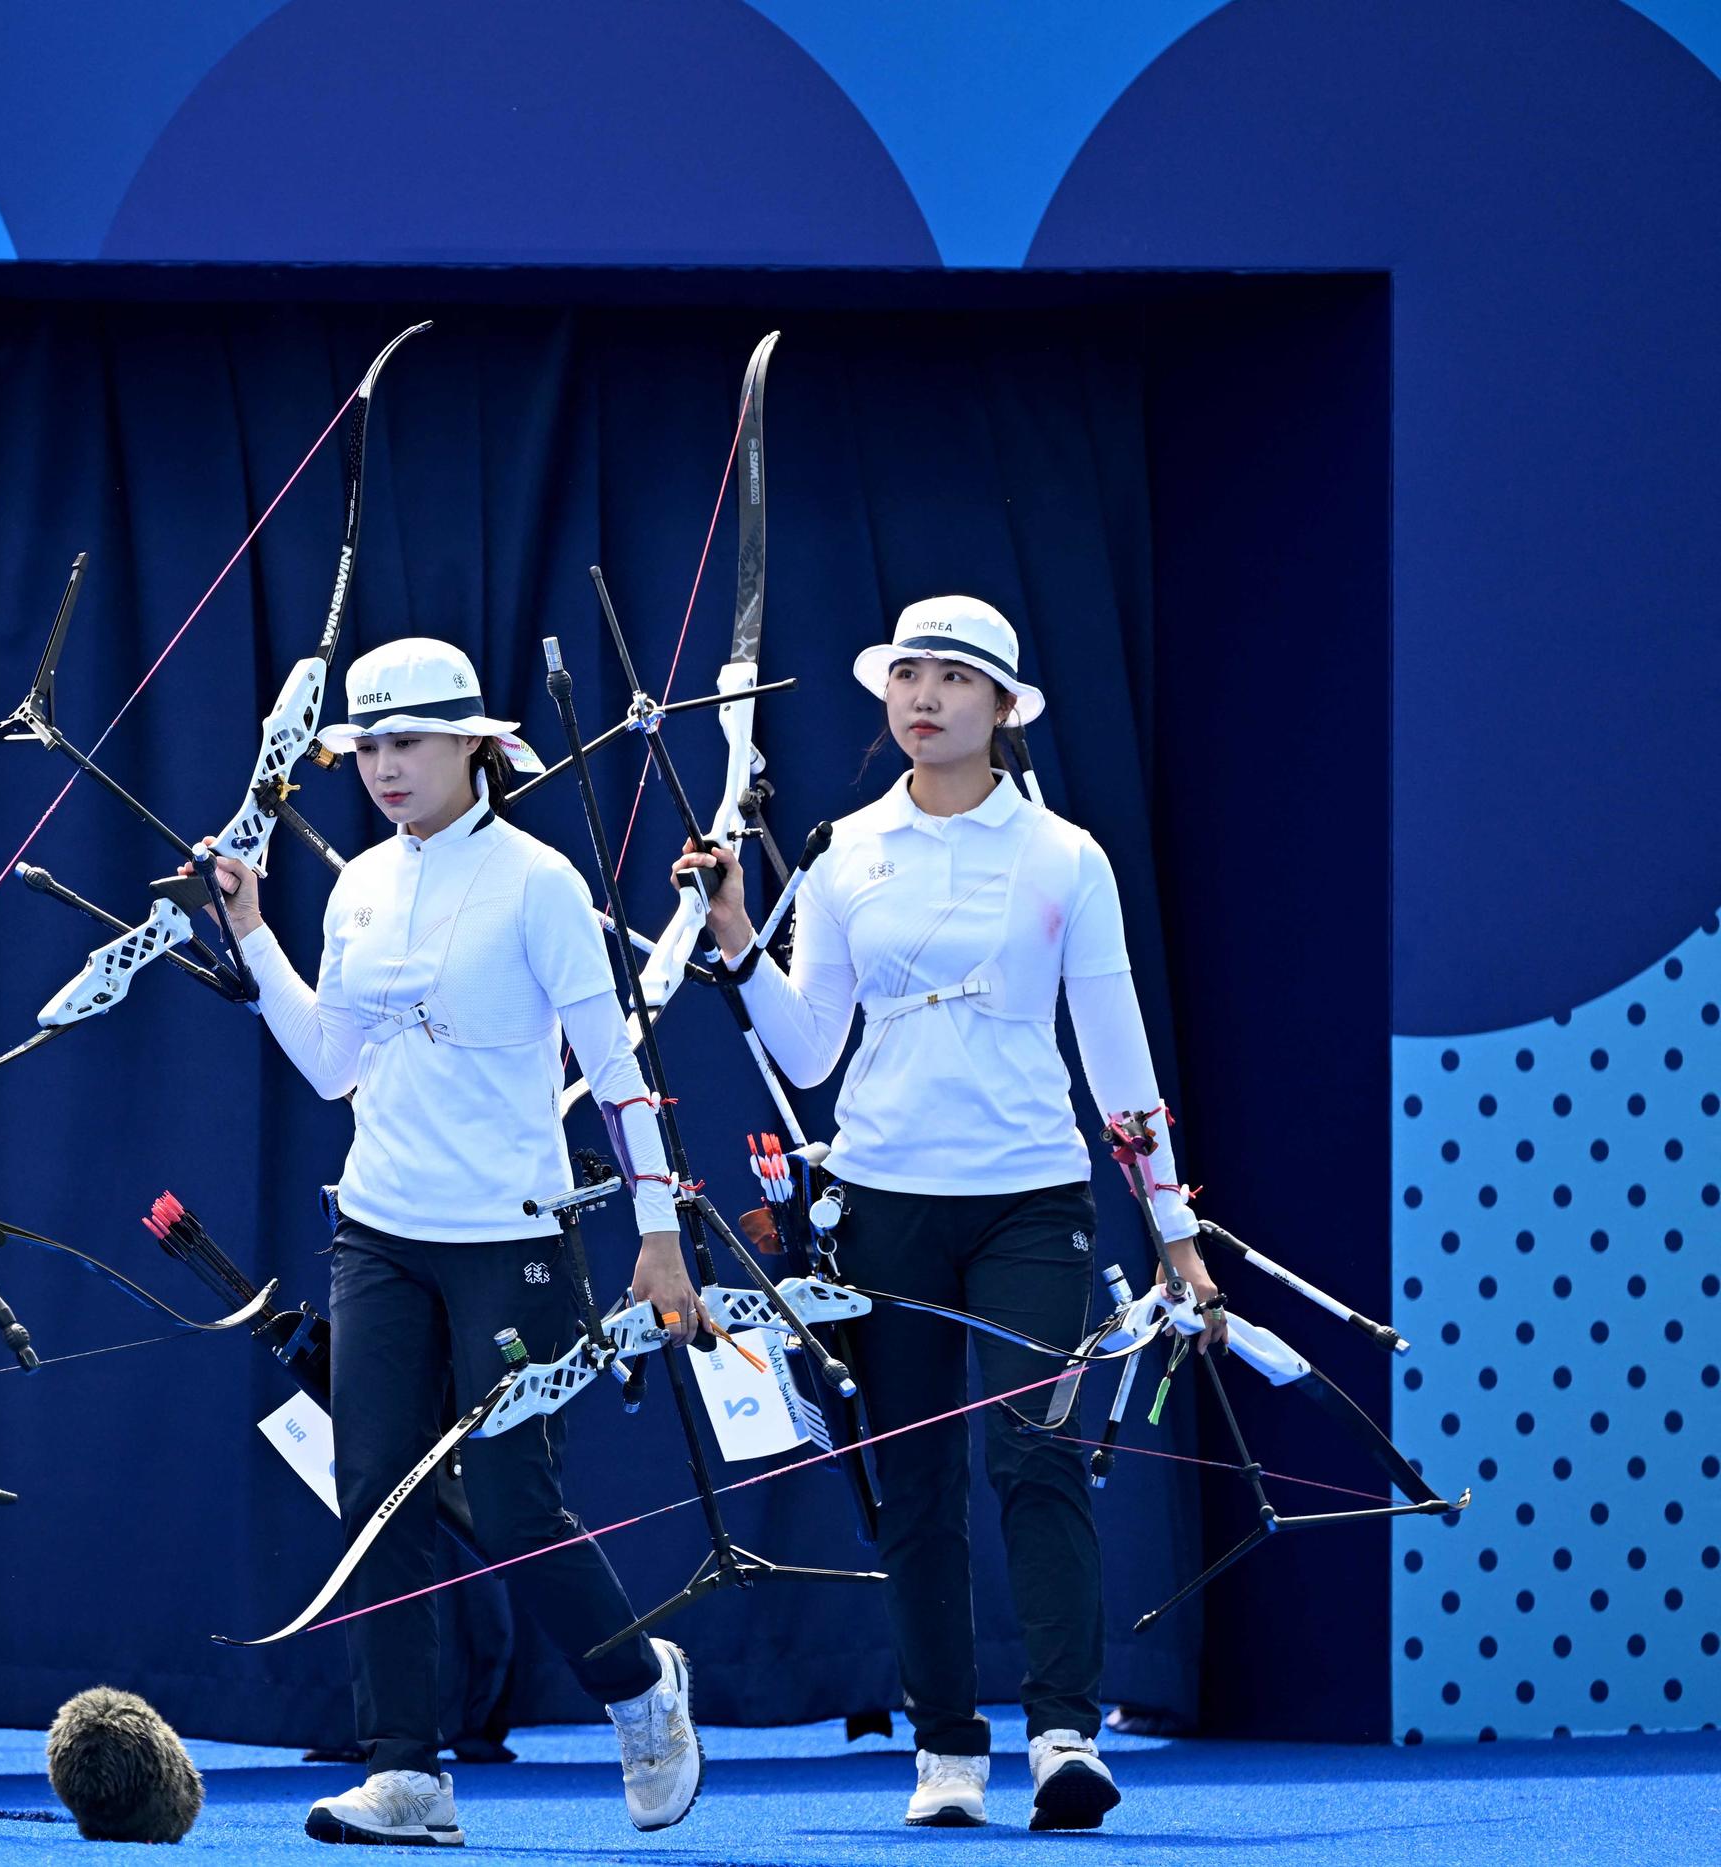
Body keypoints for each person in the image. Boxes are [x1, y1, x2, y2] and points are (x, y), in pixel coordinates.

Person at [672, 596, 1216, 1832]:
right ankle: (946, 1752)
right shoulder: (844, 849)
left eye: (954, 678)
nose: (925, 696)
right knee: (910, 1483)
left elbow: (1119, 1058)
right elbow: (808, 1051)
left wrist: (1172, 1227)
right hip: (882, 1200)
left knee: (1035, 1456)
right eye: (907, 674)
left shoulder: (1065, 855)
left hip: (1032, 1194)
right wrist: (735, 932)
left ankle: (1067, 1736)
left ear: (1004, 708)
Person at [200, 637, 704, 1847]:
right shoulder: (360, 886)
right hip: (377, 1232)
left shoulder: (538, 883)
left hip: (513, 1238)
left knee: (519, 1505)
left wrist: (657, 1232)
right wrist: (253, 933)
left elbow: (619, 1067)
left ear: (476, 746)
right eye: (366, 745)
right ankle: (407, 1774)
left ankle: (641, 1691)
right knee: (377, 1498)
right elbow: (330, 1065)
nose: (382, 765)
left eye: (407, 741)